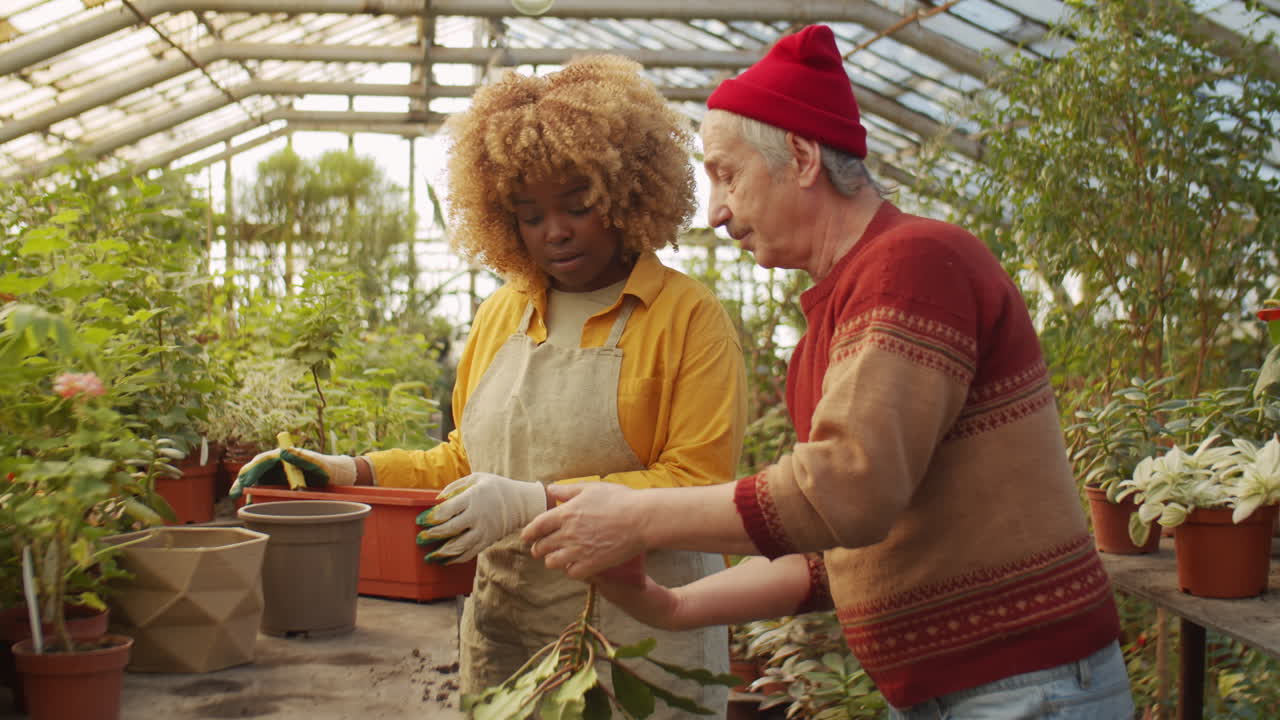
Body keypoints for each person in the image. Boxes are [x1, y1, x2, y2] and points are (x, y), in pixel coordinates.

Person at [521, 25, 1134, 720]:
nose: (717, 211)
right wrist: (667, 604)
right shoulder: (837, 316)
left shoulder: (915, 263)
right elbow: (827, 547)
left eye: (727, 174)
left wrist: (637, 517)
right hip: (973, 692)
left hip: (1029, 688)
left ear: (804, 157)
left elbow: (843, 493)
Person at [230, 55, 746, 716]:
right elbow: (467, 462)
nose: (553, 231)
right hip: (508, 638)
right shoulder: (505, 312)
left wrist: (532, 501)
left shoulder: (686, 317)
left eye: (578, 205)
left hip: (640, 646)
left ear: (629, 193)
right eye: (530, 215)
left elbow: (700, 488)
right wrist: (344, 469)